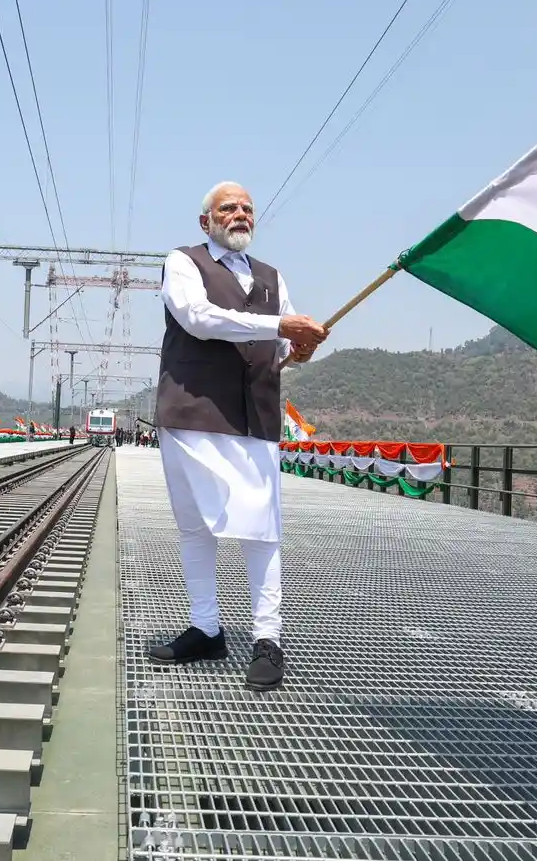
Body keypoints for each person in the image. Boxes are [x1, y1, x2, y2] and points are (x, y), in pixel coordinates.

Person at [146, 180, 328, 691]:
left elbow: (279, 346)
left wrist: (298, 349)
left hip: (255, 416)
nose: (240, 215)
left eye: (247, 209)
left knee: (260, 525)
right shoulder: (183, 262)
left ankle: (268, 638)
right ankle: (206, 628)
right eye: (228, 209)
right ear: (207, 222)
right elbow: (199, 320)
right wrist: (280, 329)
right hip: (193, 410)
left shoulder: (272, 277)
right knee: (195, 525)